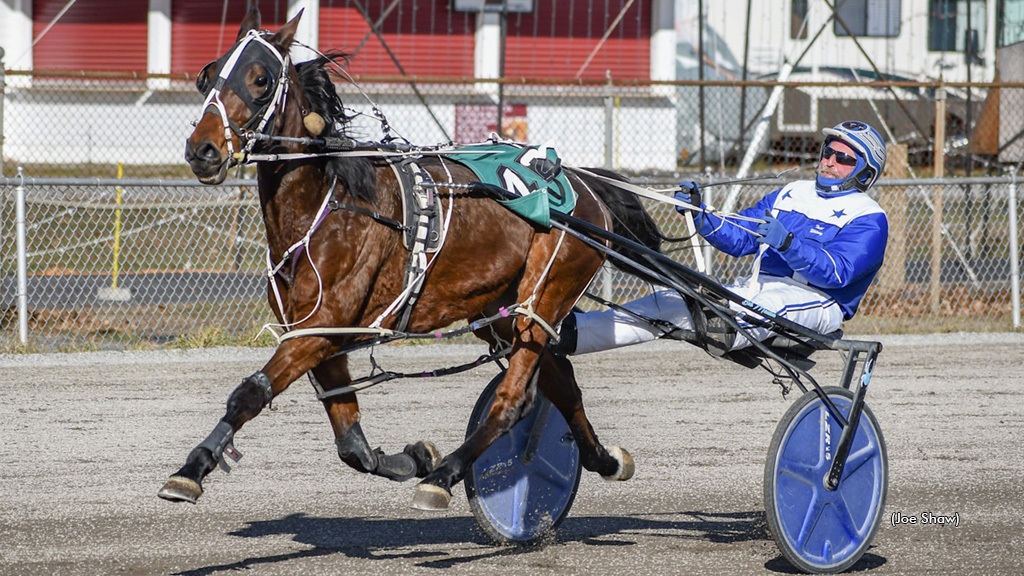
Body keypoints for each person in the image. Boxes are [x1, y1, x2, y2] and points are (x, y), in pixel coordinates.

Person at [556, 120, 890, 355]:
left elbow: (837, 273)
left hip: (818, 302)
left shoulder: (869, 217)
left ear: (865, 171)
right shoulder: (791, 192)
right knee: (669, 302)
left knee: (767, 306)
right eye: (827, 152)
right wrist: (702, 214)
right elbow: (741, 236)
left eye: (843, 159)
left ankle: (728, 328)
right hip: (756, 290)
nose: (829, 162)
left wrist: (788, 244)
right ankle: (571, 334)